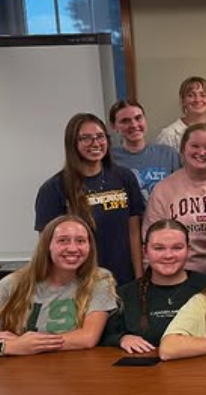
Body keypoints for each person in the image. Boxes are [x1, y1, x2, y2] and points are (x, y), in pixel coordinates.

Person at [0, 215, 117, 356]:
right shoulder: (13, 283)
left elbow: (87, 338)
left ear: (90, 247)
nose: (73, 248)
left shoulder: (99, 280)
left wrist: (29, 343)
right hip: (17, 369)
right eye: (63, 241)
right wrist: (12, 346)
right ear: (47, 246)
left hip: (72, 368)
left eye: (80, 241)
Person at [35, 112, 144, 286]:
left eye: (100, 136)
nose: (95, 143)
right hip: (80, 285)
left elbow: (134, 233)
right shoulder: (54, 188)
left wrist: (139, 280)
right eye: (86, 138)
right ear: (72, 143)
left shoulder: (125, 178)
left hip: (124, 281)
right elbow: (48, 248)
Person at [103, 219, 206, 352]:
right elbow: (106, 336)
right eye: (159, 248)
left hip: (200, 363)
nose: (168, 255)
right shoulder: (125, 294)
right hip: (142, 364)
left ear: (188, 250)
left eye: (177, 248)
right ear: (145, 251)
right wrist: (122, 339)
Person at [144, 124, 206, 275]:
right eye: (195, 146)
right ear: (183, 148)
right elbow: (151, 240)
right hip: (180, 274)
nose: (201, 152)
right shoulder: (163, 189)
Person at [155, 76, 206, 170]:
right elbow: (161, 171)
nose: (197, 100)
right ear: (183, 101)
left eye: (203, 95)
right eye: (191, 95)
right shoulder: (169, 135)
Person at [108, 99, 182, 199]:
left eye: (138, 118)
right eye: (125, 121)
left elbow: (181, 191)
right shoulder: (109, 159)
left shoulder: (168, 154)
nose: (134, 125)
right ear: (113, 126)